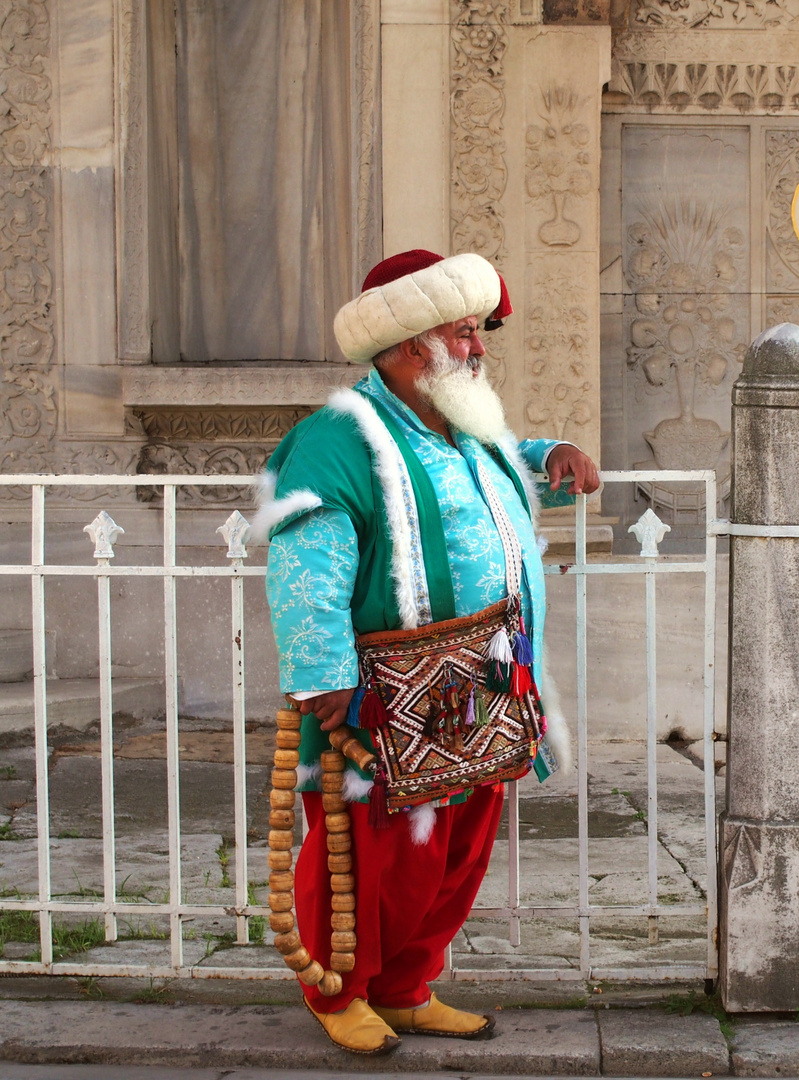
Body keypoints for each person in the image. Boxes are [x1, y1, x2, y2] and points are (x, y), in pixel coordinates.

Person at [257, 249, 600, 1055]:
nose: (480, 349)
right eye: (465, 333)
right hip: (379, 695)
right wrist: (320, 675)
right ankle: (339, 992)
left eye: (479, 333)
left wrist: (550, 456)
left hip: (482, 685)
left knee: (453, 851)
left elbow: (497, 468)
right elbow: (304, 558)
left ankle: (407, 987)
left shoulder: (461, 423)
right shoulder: (337, 438)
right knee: (365, 855)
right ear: (412, 348)